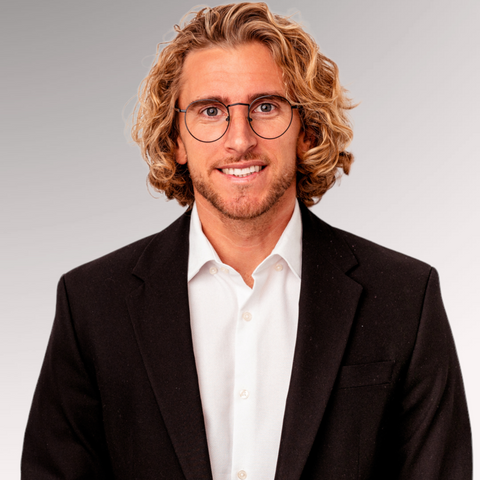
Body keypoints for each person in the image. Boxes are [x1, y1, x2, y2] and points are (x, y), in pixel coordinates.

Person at [22, 3, 472, 479]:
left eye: (266, 107)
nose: (240, 140)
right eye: (211, 110)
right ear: (176, 138)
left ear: (308, 129)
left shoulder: (404, 298)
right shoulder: (92, 304)